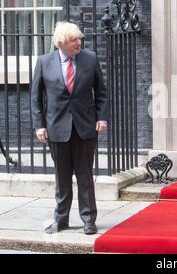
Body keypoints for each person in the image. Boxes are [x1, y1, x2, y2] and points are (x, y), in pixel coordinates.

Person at [31, 21, 108, 235]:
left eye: (79, 38)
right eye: (74, 39)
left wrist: (102, 118)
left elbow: (101, 92)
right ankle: (61, 218)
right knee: (62, 177)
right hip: (56, 128)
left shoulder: (89, 59)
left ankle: (88, 220)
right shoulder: (45, 62)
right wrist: (39, 125)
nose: (78, 42)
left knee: (85, 175)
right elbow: (35, 98)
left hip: (85, 127)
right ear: (61, 42)